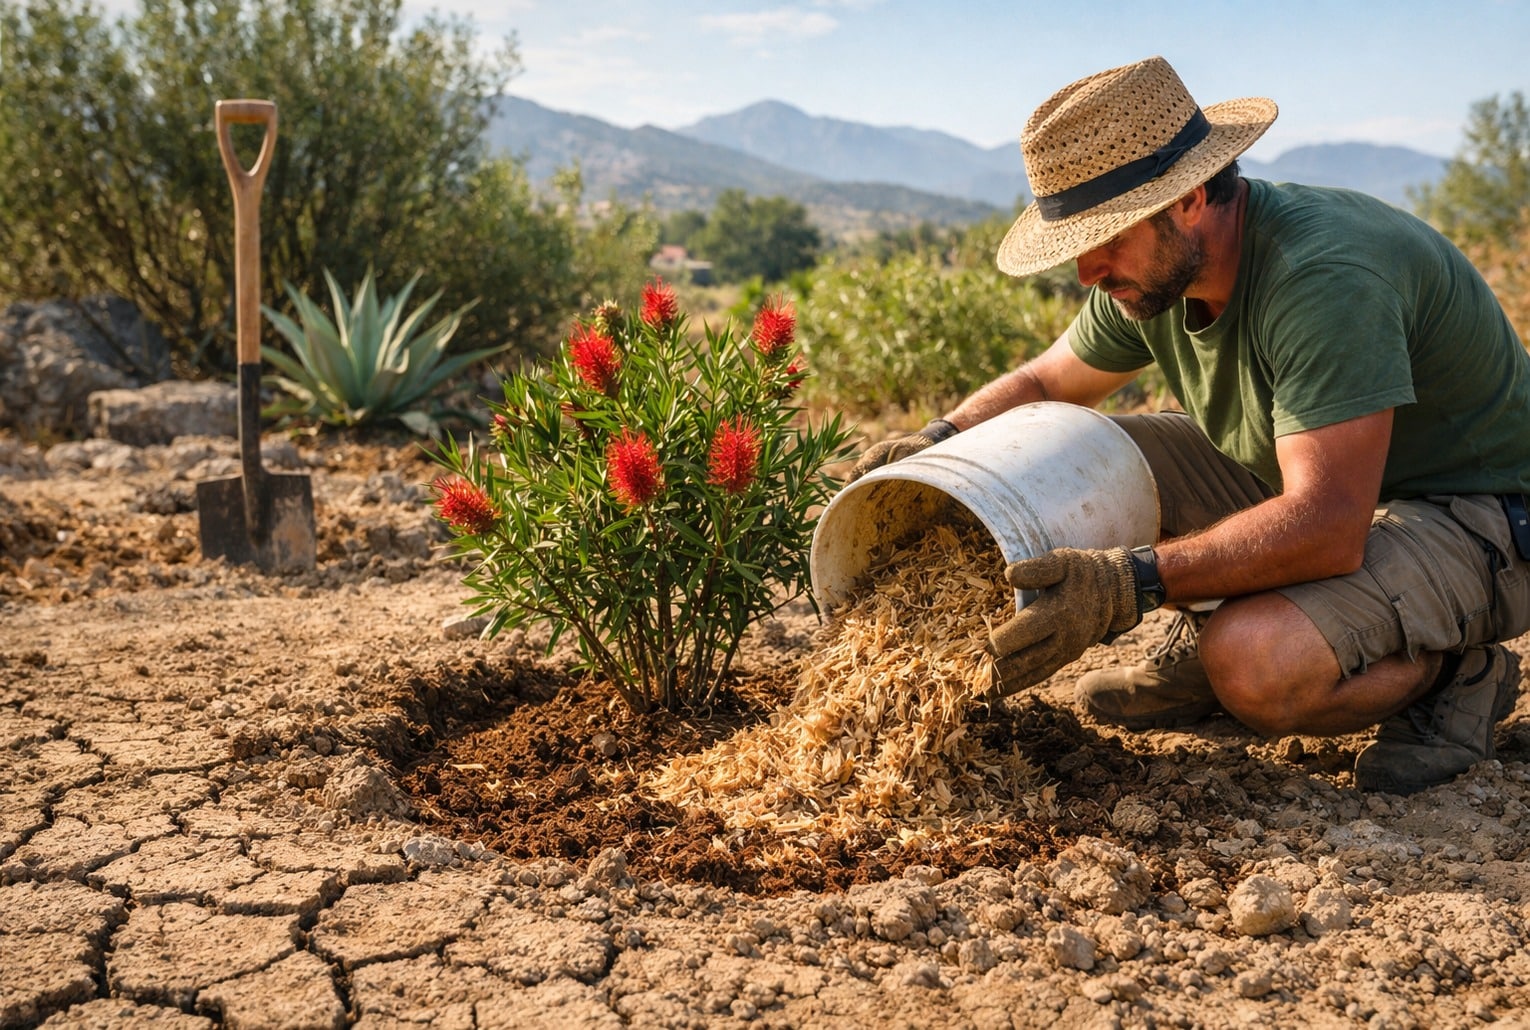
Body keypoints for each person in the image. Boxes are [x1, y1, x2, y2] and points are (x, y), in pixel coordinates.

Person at [848, 55, 1530, 796]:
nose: (1086, 272)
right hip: (1319, 480)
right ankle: (1207, 633)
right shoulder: (1161, 270)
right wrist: (942, 438)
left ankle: (1455, 676)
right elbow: (1046, 382)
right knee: (1077, 454)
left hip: (1476, 515)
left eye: (1106, 238)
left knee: (1257, 660)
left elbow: (1329, 524)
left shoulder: (1323, 277)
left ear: (1190, 199)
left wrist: (1129, 582)